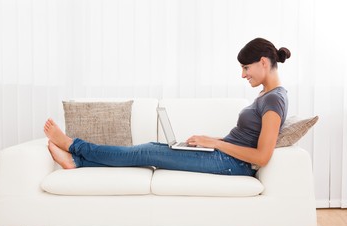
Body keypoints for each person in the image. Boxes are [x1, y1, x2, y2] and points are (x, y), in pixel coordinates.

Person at [44, 38, 290, 176]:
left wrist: (215, 143)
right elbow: (244, 140)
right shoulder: (266, 96)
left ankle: (73, 145)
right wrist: (209, 139)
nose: (243, 75)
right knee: (150, 150)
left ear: (263, 63)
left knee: (147, 152)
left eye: (246, 68)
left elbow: (262, 156)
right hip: (224, 155)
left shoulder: (273, 100)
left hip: (230, 163)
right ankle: (78, 163)